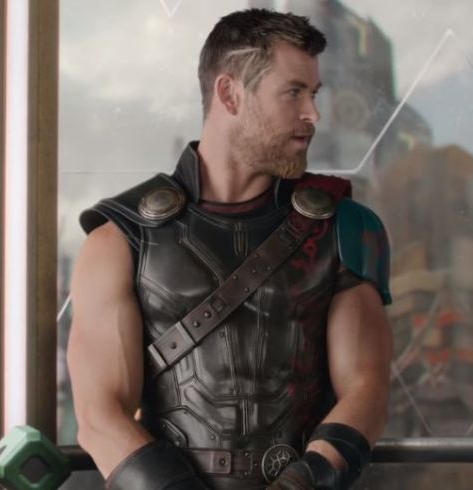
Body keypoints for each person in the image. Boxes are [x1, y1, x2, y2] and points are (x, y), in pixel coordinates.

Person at [68, 9, 392, 490]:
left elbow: (367, 386)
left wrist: (301, 483)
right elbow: (100, 417)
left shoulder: (342, 228)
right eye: (294, 92)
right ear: (229, 94)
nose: (313, 115)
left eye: (314, 93)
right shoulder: (120, 238)